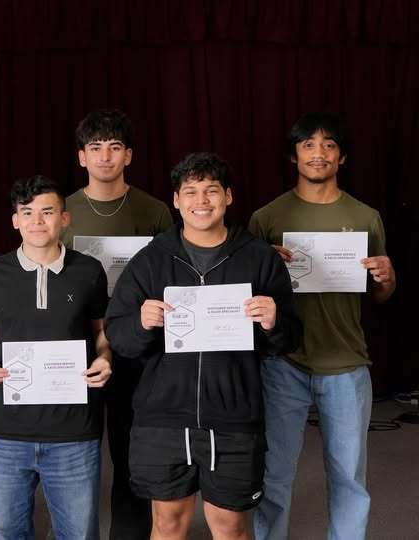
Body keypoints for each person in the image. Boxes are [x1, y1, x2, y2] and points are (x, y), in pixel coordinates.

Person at [104, 152, 302, 540]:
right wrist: (141, 323)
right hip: (163, 417)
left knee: (231, 527)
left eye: (211, 191)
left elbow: (291, 340)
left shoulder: (260, 259)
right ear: (176, 201)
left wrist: (273, 321)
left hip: (233, 417)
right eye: (190, 192)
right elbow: (120, 337)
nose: (201, 201)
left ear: (228, 196)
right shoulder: (149, 261)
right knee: (168, 524)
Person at [250, 113, 397, 540]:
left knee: (349, 474)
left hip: (346, 362)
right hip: (283, 362)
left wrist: (388, 279)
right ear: (293, 156)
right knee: (274, 474)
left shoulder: (365, 216)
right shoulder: (266, 217)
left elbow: (380, 293)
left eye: (329, 145)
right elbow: (248, 298)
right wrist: (265, 270)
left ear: (343, 156)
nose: (319, 153)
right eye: (308, 145)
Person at [0, 175, 113, 539]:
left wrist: (104, 357)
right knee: (5, 532)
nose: (37, 221)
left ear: (64, 219)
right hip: (9, 433)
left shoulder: (89, 271)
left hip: (74, 433)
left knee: (78, 533)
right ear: (15, 220)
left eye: (47, 212)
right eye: (27, 213)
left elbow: (101, 331)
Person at [62, 109, 172, 539]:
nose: (104, 157)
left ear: (129, 155)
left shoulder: (155, 210)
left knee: (131, 452)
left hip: (138, 347)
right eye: (95, 148)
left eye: (114, 147)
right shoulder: (62, 211)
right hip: (75, 346)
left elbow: (171, 276)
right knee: (73, 453)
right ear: (81, 157)